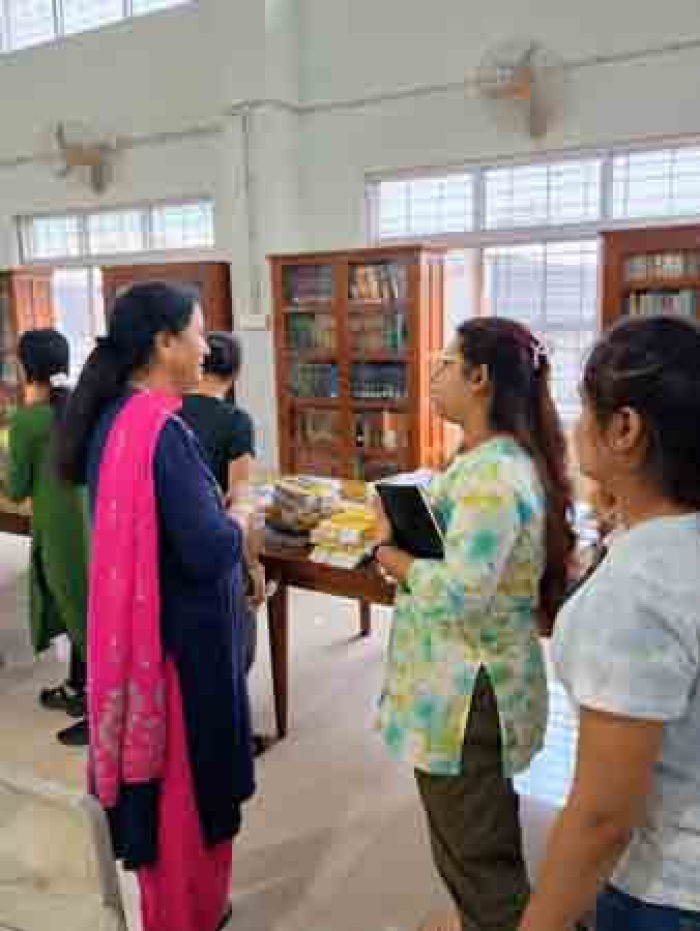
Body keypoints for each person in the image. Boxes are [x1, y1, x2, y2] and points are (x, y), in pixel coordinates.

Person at [56, 283, 255, 931]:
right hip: (176, 652)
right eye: (197, 333)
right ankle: (188, 916)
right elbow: (206, 547)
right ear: (164, 342)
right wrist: (242, 516)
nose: (207, 346)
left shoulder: (114, 417)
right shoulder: (160, 431)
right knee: (185, 801)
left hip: (141, 637)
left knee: (169, 800)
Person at [372, 318, 574, 931]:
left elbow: (461, 592)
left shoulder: (491, 476)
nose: (432, 377)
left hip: (467, 695)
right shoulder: (485, 459)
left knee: (478, 853)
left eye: (444, 364)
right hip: (457, 681)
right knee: (470, 835)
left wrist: (392, 556)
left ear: (479, 378)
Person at [520, 315, 700, 931]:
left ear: (624, 428)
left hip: (670, 886)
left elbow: (603, 818)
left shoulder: (634, 591)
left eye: (584, 408)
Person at [5, 329, 89, 747]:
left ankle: (94, 705)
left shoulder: (27, 421)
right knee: (85, 605)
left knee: (75, 607)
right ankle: (79, 688)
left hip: (61, 531)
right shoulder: (82, 408)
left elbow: (16, 488)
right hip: (92, 524)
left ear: (24, 367)